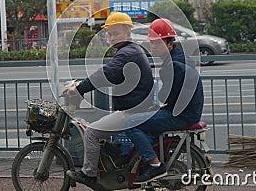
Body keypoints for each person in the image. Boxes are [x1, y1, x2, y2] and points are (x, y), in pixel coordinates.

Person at [66, 12, 154, 188]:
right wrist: (83, 83)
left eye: (116, 33)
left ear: (128, 33)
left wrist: (81, 88)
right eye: (109, 33)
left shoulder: (126, 53)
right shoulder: (130, 50)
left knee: (91, 132)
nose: (111, 37)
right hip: (138, 107)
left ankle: (89, 174)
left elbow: (106, 73)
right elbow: (108, 75)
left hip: (132, 111)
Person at [124, 18, 204, 184]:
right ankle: (152, 156)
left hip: (181, 115)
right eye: (152, 43)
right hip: (188, 111)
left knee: (130, 123)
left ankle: (155, 165)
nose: (153, 47)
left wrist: (152, 101)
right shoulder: (181, 57)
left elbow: (165, 97)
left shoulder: (171, 66)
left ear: (169, 44)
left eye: (157, 43)